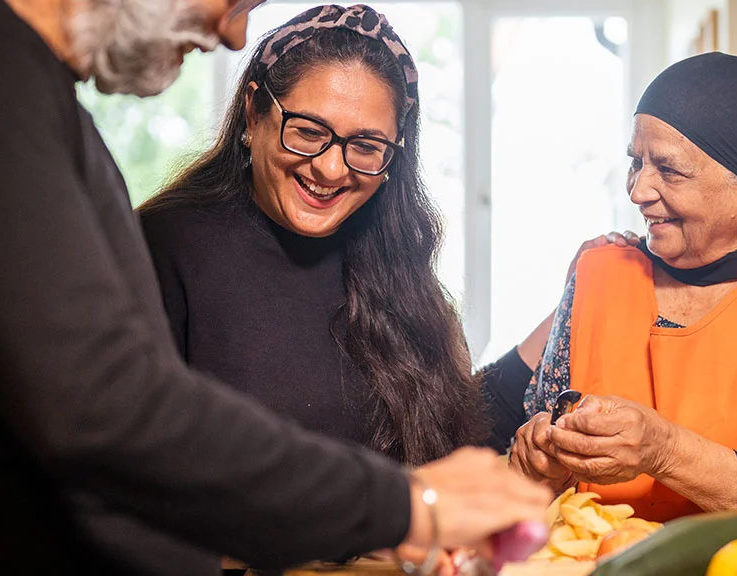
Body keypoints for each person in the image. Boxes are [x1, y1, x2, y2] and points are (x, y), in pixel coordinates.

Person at [0, 0, 552, 573]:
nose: (233, 34)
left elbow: (450, 424)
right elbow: (104, 407)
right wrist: (404, 508)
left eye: (365, 146)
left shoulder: (26, 86)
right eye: (235, 2)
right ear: (255, 117)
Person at [137, 6, 635, 464]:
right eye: (308, 132)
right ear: (253, 112)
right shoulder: (164, 245)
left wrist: (575, 298)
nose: (332, 168)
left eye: (366, 146)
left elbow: (453, 435)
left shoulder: (387, 257)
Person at [509, 52, 737, 550]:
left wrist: (662, 450)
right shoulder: (597, 272)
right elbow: (533, 476)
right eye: (635, 162)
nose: (639, 190)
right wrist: (536, 462)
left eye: (669, 169)